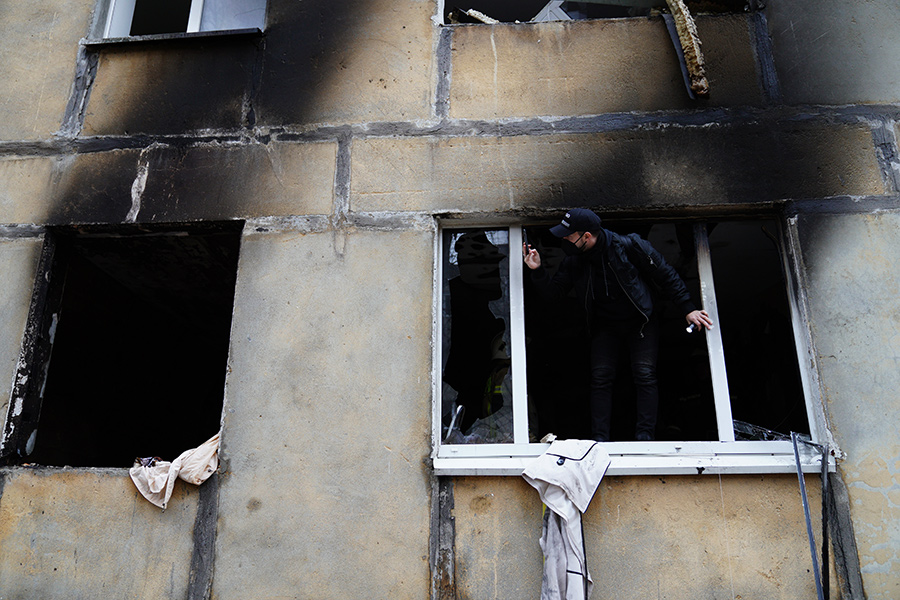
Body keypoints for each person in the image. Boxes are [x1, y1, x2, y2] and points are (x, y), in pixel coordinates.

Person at [523, 209, 712, 442]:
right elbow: (554, 295)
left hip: (641, 321)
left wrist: (687, 308)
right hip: (605, 326)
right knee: (600, 378)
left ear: (587, 236)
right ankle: (600, 440)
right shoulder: (574, 261)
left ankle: (645, 438)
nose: (563, 240)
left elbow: (665, 274)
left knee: (644, 375)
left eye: (568, 235)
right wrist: (537, 270)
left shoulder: (629, 245)